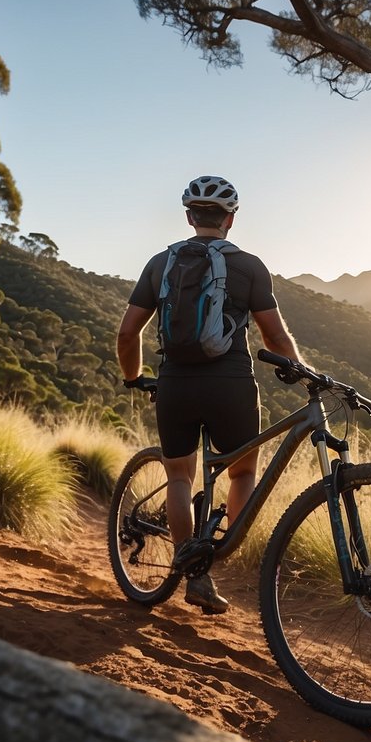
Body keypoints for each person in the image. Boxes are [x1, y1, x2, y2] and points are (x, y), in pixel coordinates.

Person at [116, 175, 305, 615]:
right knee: (240, 474)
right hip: (232, 385)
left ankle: (192, 569)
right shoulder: (250, 266)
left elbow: (128, 332)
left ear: (189, 217)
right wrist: (300, 369)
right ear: (230, 220)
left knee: (180, 477)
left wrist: (134, 377)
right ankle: (217, 553)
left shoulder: (160, 263)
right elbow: (274, 336)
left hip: (176, 383)